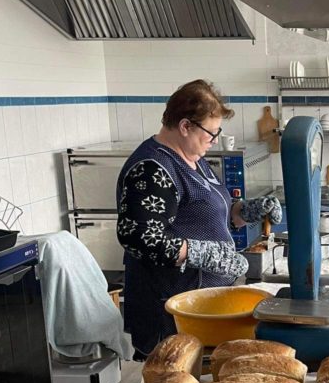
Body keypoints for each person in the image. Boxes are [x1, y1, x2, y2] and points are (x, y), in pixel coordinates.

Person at [116, 79, 282, 357]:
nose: (215, 140)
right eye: (210, 132)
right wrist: (202, 253)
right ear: (185, 126)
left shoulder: (193, 157)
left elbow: (207, 216)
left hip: (203, 310)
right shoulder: (152, 169)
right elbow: (140, 237)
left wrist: (248, 211)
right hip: (170, 315)